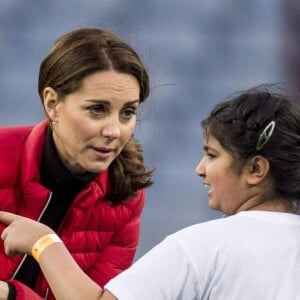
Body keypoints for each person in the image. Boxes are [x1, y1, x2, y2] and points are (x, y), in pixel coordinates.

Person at [1, 86, 300, 299]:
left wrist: (43, 243)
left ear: (256, 169)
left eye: (212, 155)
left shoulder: (202, 247)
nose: (200, 169)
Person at [0, 27, 154, 300]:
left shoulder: (126, 196)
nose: (114, 131)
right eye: (97, 109)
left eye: (127, 113)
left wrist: (12, 293)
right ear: (52, 104)